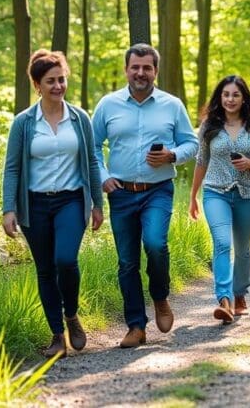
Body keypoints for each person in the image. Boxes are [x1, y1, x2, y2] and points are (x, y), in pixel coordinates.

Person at [92, 43, 198, 348]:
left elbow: (191, 144)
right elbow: (93, 147)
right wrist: (103, 177)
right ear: (126, 70)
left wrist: (171, 155)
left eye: (147, 68)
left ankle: (160, 297)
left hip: (158, 191)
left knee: (154, 244)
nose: (141, 73)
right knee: (127, 262)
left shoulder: (172, 105)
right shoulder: (108, 105)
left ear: (156, 71)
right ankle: (136, 326)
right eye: (135, 67)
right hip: (121, 193)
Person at [2, 49, 104, 359]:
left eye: (62, 79)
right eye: (51, 81)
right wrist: (9, 208)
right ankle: (57, 336)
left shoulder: (79, 118)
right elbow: (12, 167)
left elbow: (92, 161)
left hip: (71, 201)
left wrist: (98, 203)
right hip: (34, 205)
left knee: (65, 261)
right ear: (37, 85)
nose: (58, 86)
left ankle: (71, 314)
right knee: (45, 270)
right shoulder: (24, 123)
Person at [189, 75, 250, 324]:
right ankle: (223, 299)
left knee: (243, 249)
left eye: (235, 94)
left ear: (244, 97)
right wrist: (193, 196)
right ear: (220, 97)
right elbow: (201, 161)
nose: (230, 99)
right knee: (222, 243)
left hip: (248, 194)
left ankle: (240, 294)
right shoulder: (209, 126)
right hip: (216, 193)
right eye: (226, 94)